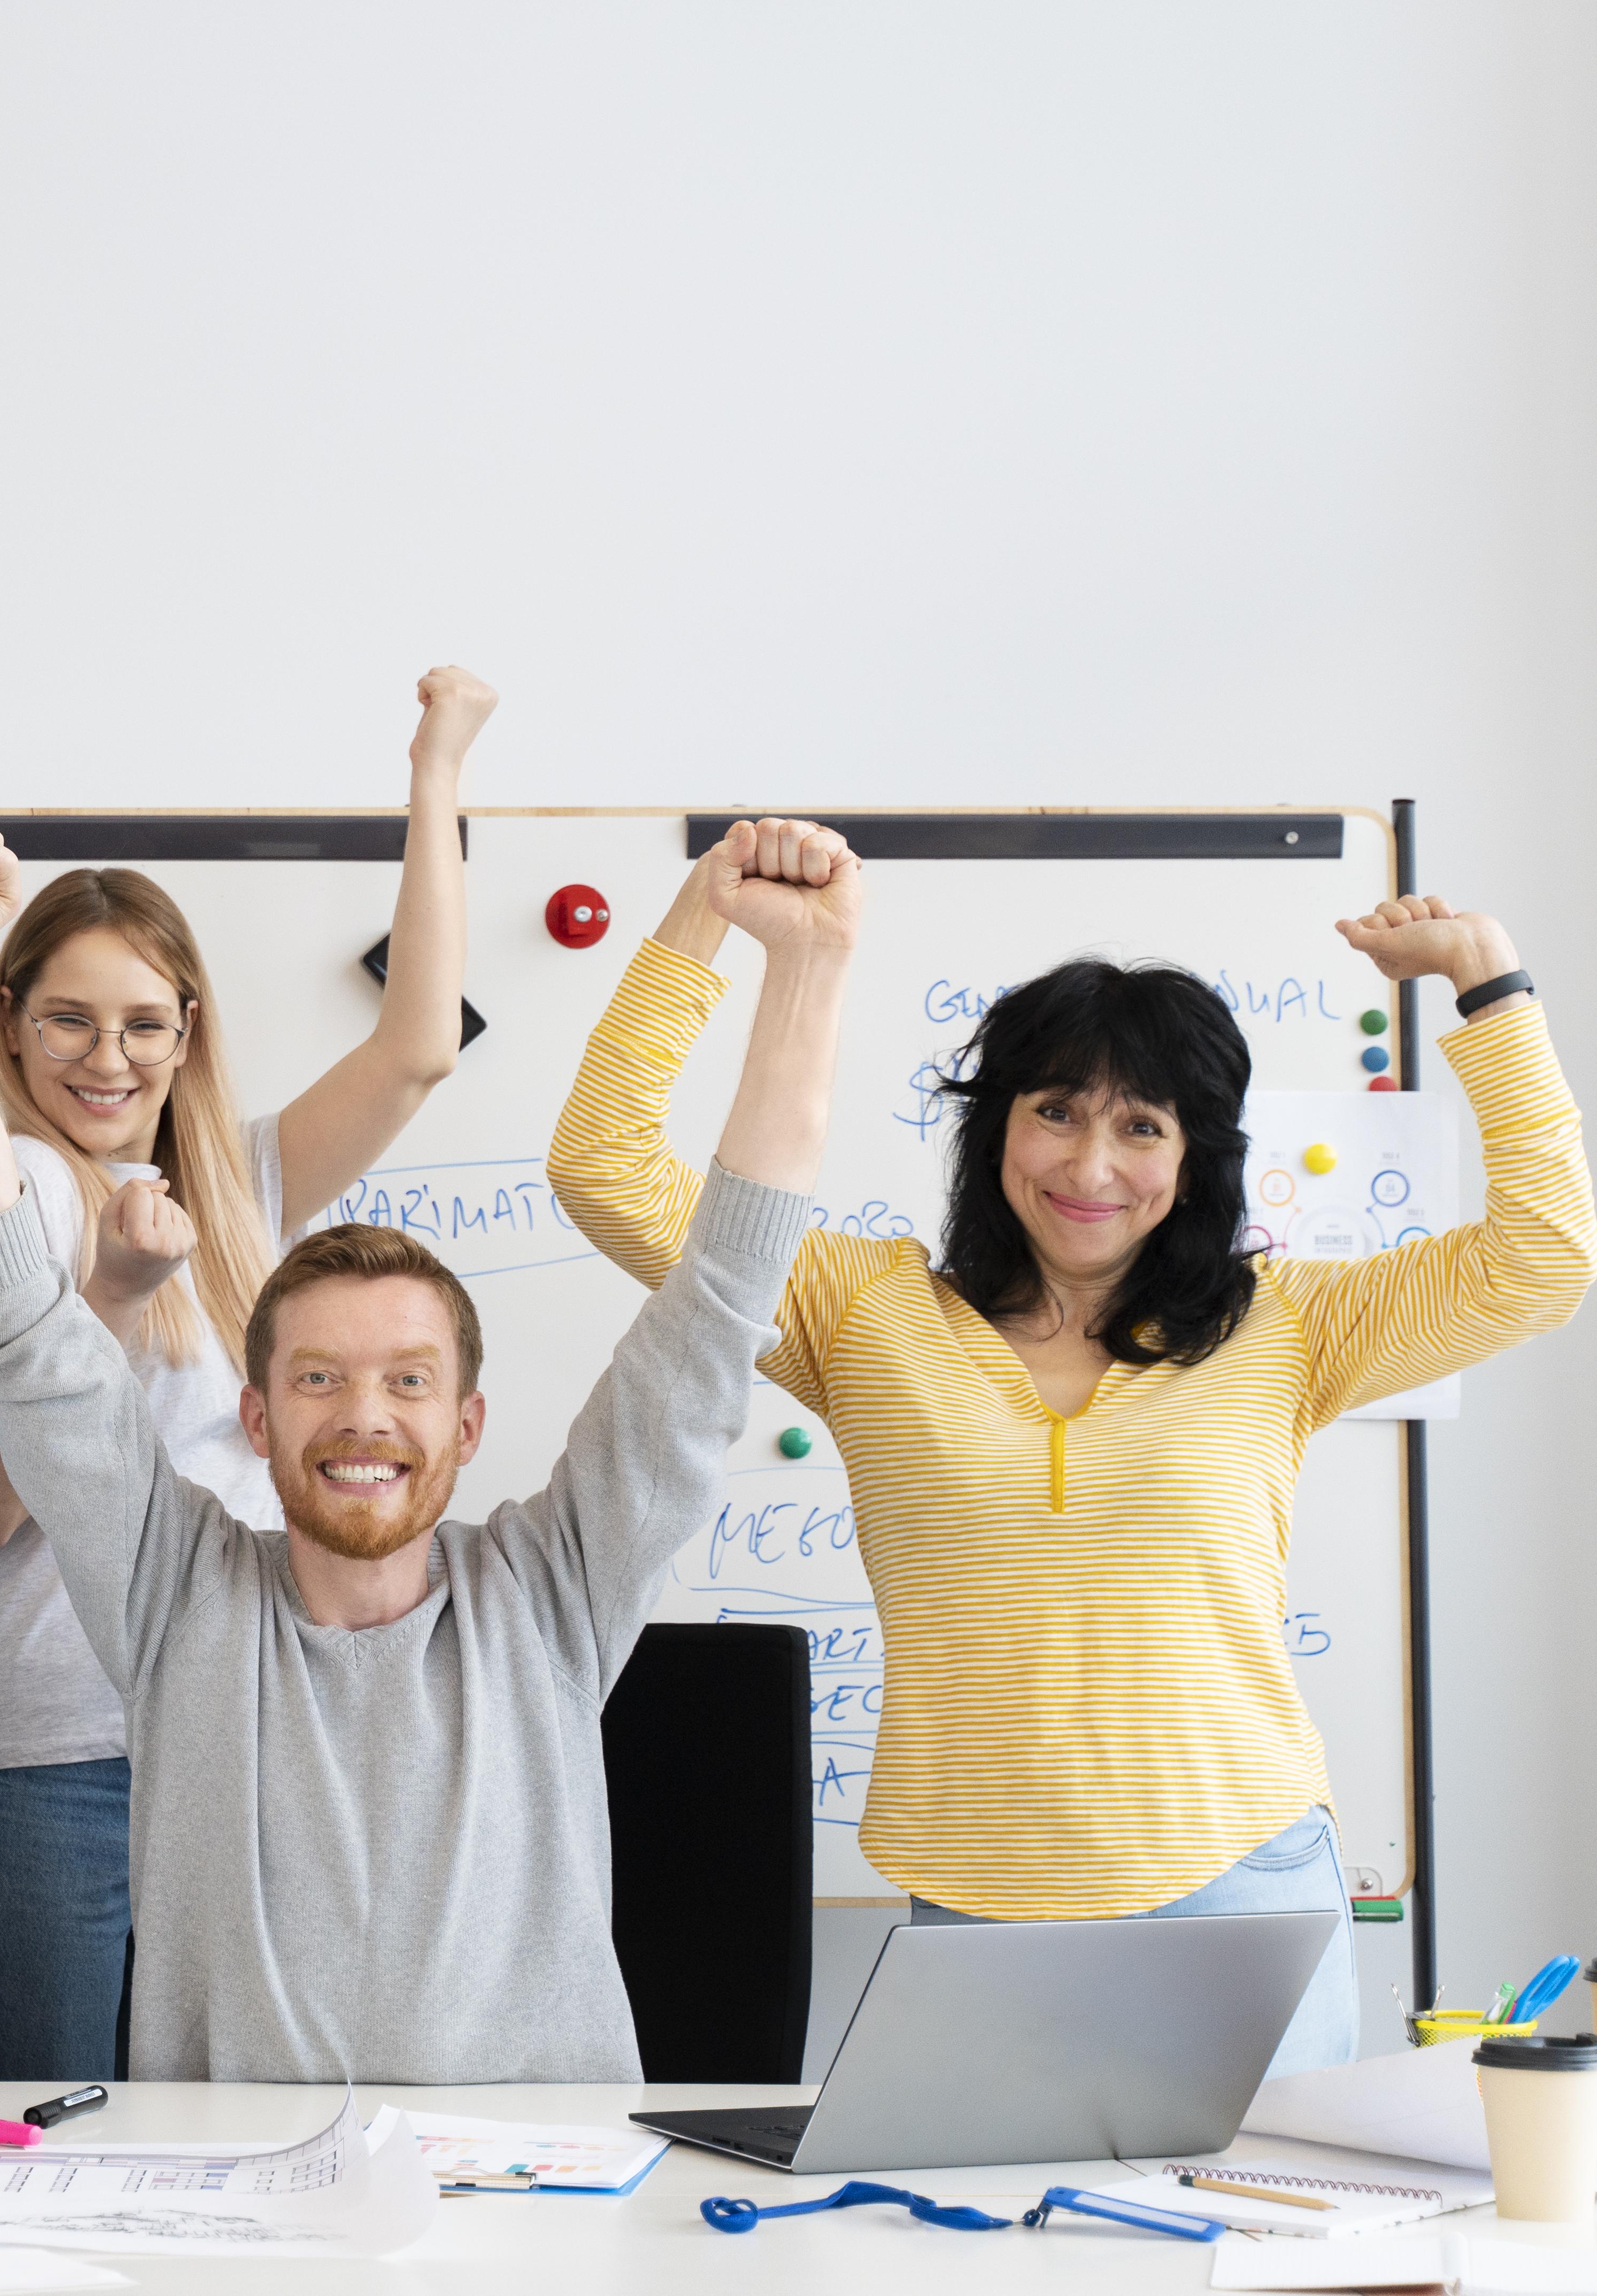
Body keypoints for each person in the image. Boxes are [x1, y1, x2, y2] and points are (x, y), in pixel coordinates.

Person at [548, 832, 1593, 2077]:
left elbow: (1545, 1255)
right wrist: (701, 919)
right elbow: (603, 1170)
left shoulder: (1291, 1324)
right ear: (996, 1127)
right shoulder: (858, 1309)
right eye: (1053, 1112)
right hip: (985, 1900)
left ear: (1194, 1156)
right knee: (1014, 2259)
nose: (1090, 1166)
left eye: (1142, 1126)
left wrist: (1490, 982)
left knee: (1269, 2252)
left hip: (1242, 1887)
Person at [0, 808, 854, 2081]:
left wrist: (809, 971)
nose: (362, 1415)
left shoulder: (553, 1591)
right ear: (254, 1416)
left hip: (541, 2213)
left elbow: (722, 1292)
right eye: (320, 1377)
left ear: (465, 1427)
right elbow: (13, 1305)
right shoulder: (177, 1602)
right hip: (254, 2210)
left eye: (406, 1379)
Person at [0, 671, 490, 2083]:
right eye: (71, 1020)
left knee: (222, 2170)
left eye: (147, 1021)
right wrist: (103, 1297)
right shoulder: (14, 1187)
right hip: (51, 1766)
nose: (110, 1056)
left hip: (232, 1731)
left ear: (190, 1029)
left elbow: (417, 1046)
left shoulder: (232, 1184)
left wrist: (436, 770)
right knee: (54, 2172)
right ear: (11, 1022)